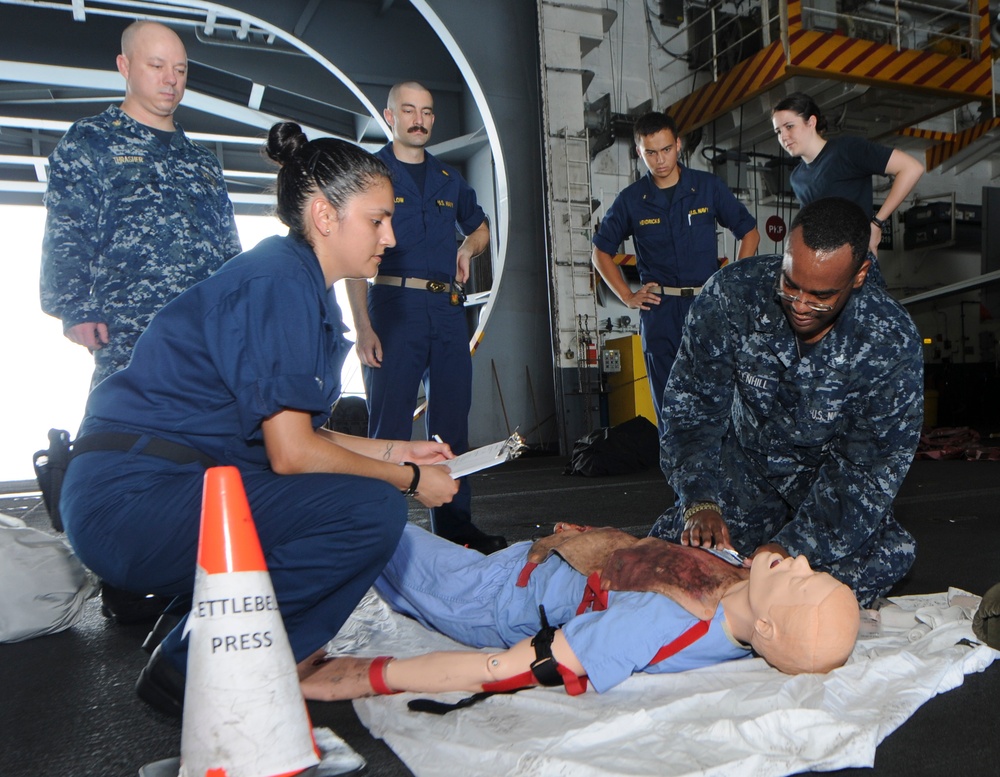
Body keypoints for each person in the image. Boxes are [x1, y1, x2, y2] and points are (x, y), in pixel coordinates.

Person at [59, 121, 460, 717]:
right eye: (377, 219)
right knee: (371, 509)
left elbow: (297, 431)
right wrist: (406, 481)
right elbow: (292, 454)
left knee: (356, 488)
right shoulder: (280, 283)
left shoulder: (295, 280)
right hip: (133, 501)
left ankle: (207, 628)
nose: (391, 236)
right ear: (325, 216)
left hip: (153, 490)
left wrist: (400, 449)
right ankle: (197, 662)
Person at [649, 197, 923, 608]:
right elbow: (693, 410)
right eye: (790, 284)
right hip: (743, 476)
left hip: (825, 490)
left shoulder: (890, 341)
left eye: (820, 296)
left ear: (860, 274)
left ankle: (756, 597)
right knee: (666, 559)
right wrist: (699, 499)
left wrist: (790, 547)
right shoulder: (730, 296)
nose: (799, 306)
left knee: (886, 558)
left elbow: (865, 473)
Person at [298, 522, 860, 701]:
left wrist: (364, 676)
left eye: (802, 583)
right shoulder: (749, 591)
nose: (802, 561)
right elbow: (768, 561)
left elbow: (504, 668)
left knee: (367, 523)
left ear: (765, 628)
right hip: (536, 564)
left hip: (495, 596)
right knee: (385, 555)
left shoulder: (659, 623)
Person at [345, 81, 504, 554]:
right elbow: (354, 257)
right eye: (409, 111)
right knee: (389, 427)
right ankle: (381, 530)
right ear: (391, 117)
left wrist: (467, 247)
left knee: (452, 425)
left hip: (448, 311)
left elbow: (480, 228)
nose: (419, 119)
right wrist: (362, 329)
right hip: (394, 309)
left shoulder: (449, 180)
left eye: (428, 112)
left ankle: (455, 527)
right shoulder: (368, 173)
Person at [40, 20, 242, 388]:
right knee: (122, 438)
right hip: (130, 336)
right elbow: (67, 231)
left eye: (180, 70)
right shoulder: (91, 140)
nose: (171, 79)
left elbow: (229, 249)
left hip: (208, 341)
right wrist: (74, 307)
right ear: (125, 66)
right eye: (157, 66)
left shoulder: (201, 160)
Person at [592, 111, 760, 430]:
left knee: (718, 396)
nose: (660, 160)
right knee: (669, 402)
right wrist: (627, 296)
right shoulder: (631, 201)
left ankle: (720, 473)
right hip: (661, 312)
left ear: (678, 144)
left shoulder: (707, 187)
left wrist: (732, 284)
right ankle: (678, 475)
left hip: (706, 308)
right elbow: (600, 252)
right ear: (639, 152)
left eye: (666, 149)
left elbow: (749, 232)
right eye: (650, 152)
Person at [771, 91, 924, 259]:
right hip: (824, 267)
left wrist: (877, 223)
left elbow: (911, 168)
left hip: (856, 264)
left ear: (811, 122)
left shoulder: (847, 149)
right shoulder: (797, 177)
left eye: (789, 126)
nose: (784, 137)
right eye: (778, 131)